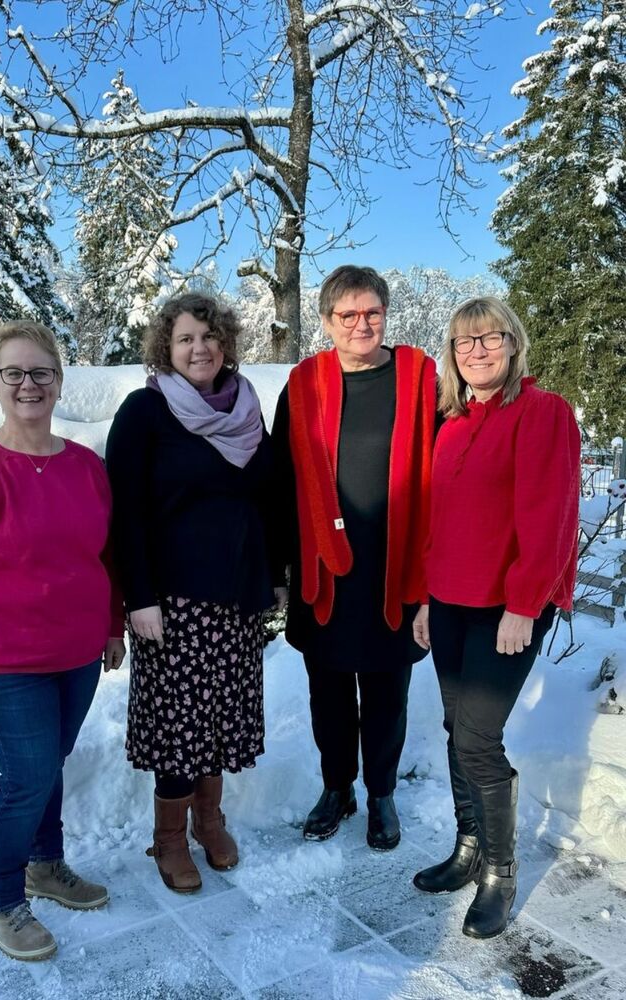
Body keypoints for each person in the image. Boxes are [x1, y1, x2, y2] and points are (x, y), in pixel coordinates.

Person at [0, 321, 125, 962]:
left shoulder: (86, 467)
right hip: (7, 661)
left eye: (41, 372)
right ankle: (0, 898)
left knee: (47, 768)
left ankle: (46, 862)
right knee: (27, 776)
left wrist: (112, 625)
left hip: (76, 656)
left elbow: (106, 556)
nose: (29, 385)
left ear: (59, 381)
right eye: (14, 373)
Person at [412, 297, 580, 939]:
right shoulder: (451, 422)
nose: (477, 349)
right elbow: (439, 522)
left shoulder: (542, 412)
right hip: (450, 602)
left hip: (506, 609)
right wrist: (427, 596)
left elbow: (549, 516)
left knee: (478, 738)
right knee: (458, 727)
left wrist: (524, 603)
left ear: (513, 344)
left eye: (490, 337)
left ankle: (500, 872)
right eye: (463, 341)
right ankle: (468, 847)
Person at [106, 292, 284, 894]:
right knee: (179, 725)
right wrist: (139, 597)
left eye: (208, 337)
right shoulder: (144, 413)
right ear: (167, 348)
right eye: (185, 339)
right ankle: (171, 838)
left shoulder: (246, 411)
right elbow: (125, 513)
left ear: (226, 344)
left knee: (218, 717)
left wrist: (275, 574)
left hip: (235, 597)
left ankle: (210, 821)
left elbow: (263, 500)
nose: (199, 348)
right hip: (172, 602)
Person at [271, 265, 437, 849]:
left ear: (384, 316)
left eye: (371, 313)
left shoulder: (419, 378)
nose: (361, 324)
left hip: (394, 568)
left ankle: (382, 793)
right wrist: (279, 571)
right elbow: (279, 479)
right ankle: (337, 786)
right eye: (348, 315)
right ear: (326, 322)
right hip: (324, 571)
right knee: (330, 691)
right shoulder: (304, 383)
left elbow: (447, 470)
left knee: (388, 693)